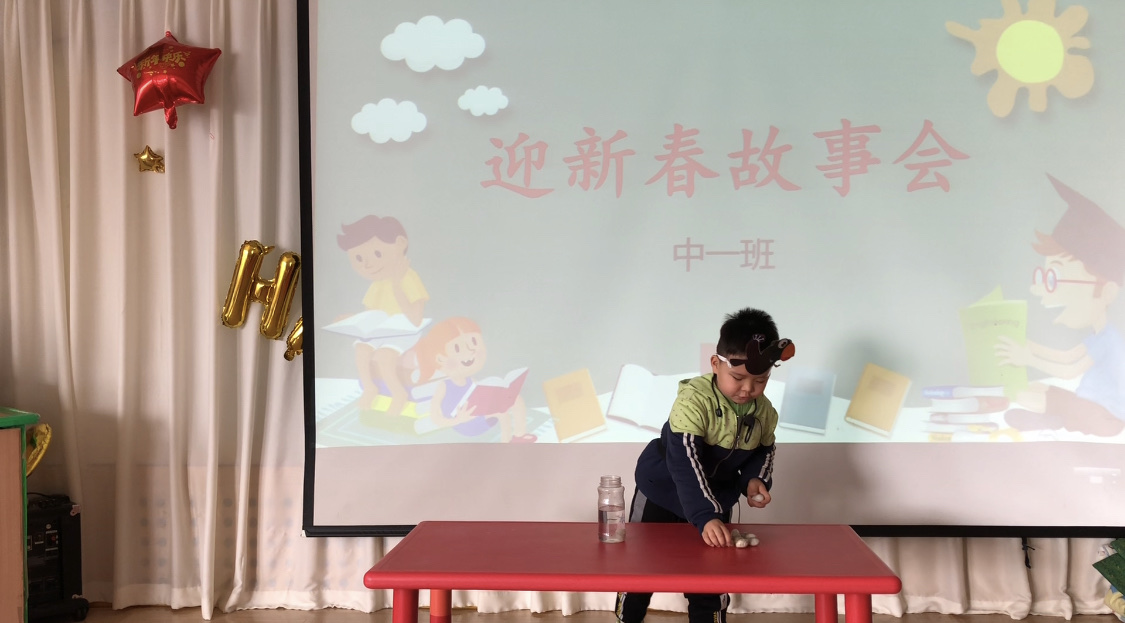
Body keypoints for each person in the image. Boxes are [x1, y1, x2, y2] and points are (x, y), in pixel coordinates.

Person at [616, 308, 794, 623]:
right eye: (738, 378)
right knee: (640, 570)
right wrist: (704, 516)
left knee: (710, 578)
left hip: (714, 497)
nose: (747, 389)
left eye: (760, 380)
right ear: (715, 364)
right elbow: (685, 464)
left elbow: (764, 450)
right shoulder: (692, 401)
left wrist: (754, 480)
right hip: (662, 491)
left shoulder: (765, 412)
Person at [996, 175, 1125, 437]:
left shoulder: (1111, 338)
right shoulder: (1099, 334)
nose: (1039, 289)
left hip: (1105, 417)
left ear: (1107, 291)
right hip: (1091, 406)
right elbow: (1067, 356)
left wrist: (1028, 358)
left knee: (1033, 397)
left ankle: (1056, 420)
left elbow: (1070, 370)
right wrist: (1030, 346)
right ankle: (1057, 417)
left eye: (1053, 279)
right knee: (1032, 391)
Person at [337, 215, 428, 418]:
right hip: (382, 332)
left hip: (405, 331)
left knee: (385, 356)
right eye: (359, 259)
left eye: (377, 254)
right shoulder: (377, 284)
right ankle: (370, 387)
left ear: (400, 244)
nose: (367, 265)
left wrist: (397, 286)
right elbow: (371, 315)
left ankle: (398, 393)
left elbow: (415, 319)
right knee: (361, 349)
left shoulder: (409, 278)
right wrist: (352, 319)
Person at [414, 317, 537, 443]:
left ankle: (519, 436)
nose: (470, 351)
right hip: (464, 424)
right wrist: (458, 420)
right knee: (502, 413)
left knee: (515, 399)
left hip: (479, 415)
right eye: (457, 349)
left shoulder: (470, 380)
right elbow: (436, 418)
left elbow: (480, 398)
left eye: (474, 343)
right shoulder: (444, 386)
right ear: (440, 359)